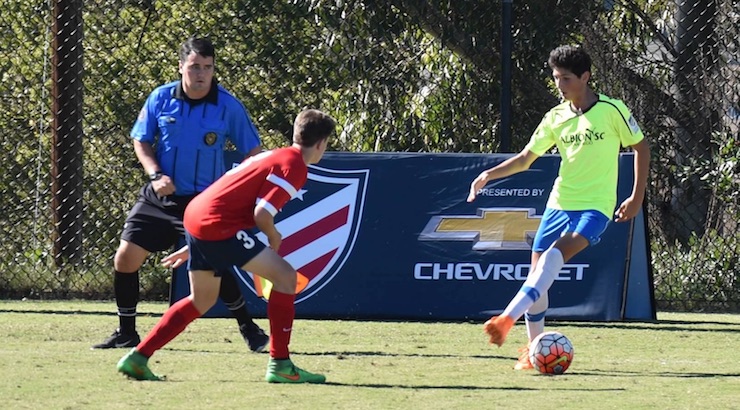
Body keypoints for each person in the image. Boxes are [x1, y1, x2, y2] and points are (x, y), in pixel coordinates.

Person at [116, 108, 336, 383]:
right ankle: (280, 364)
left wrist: (196, 244)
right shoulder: (295, 166)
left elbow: (231, 197)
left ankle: (138, 358)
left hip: (199, 218)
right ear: (320, 143)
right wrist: (273, 235)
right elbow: (261, 214)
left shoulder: (274, 155)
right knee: (286, 277)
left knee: (202, 299)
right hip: (214, 224)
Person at [467, 45, 650, 370]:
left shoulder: (612, 110)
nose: (560, 85)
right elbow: (526, 159)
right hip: (559, 203)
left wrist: (636, 198)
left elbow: (641, 148)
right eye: (555, 78)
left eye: (566, 78)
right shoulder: (556, 117)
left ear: (585, 77)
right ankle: (534, 350)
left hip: (596, 207)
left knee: (554, 257)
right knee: (538, 276)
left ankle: (507, 318)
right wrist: (488, 174)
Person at [93, 37, 269, 353]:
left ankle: (250, 331)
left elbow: (254, 153)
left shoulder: (228, 106)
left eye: (208, 67)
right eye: (194, 67)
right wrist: (155, 175)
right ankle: (126, 332)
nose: (201, 74)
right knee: (125, 258)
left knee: (214, 267)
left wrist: (230, 191)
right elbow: (141, 141)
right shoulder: (161, 98)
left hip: (204, 203)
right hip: (160, 196)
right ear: (181, 67)